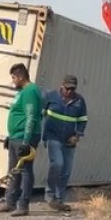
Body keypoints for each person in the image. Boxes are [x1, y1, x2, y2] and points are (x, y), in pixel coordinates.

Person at [0, 63, 43, 216]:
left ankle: (23, 205)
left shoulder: (30, 91)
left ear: (21, 77)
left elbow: (30, 117)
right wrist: (11, 136)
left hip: (25, 137)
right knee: (13, 170)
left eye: (14, 78)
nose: (13, 81)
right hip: (16, 136)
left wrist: (26, 142)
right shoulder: (22, 92)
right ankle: (10, 202)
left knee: (25, 170)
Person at [42, 74, 88, 212]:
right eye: (67, 88)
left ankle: (59, 199)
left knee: (66, 170)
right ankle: (50, 195)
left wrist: (77, 135)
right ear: (61, 85)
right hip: (53, 137)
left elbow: (83, 119)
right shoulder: (50, 96)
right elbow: (41, 114)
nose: (69, 92)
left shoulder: (79, 100)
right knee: (57, 164)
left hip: (69, 140)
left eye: (72, 89)